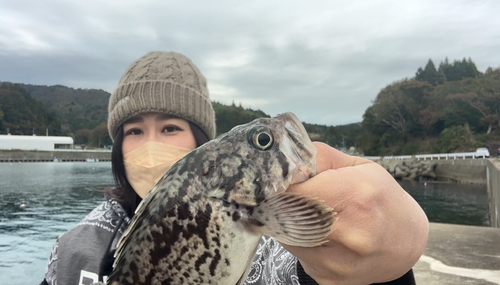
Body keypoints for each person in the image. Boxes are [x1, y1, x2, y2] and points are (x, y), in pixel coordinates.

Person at [41, 51, 428, 285]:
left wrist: (384, 269)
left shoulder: (274, 249)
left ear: (202, 145)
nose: (150, 145)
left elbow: (312, 274)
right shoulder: (72, 250)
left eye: (170, 128)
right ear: (117, 146)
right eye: (134, 131)